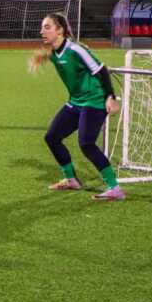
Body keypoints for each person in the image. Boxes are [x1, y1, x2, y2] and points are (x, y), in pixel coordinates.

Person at [28, 12, 125, 200]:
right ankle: (71, 180)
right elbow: (46, 54)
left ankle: (115, 189)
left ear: (60, 30)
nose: (42, 31)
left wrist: (111, 97)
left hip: (95, 101)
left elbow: (101, 70)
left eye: (47, 27)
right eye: (42, 27)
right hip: (76, 102)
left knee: (86, 143)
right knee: (52, 137)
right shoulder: (53, 51)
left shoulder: (75, 49)